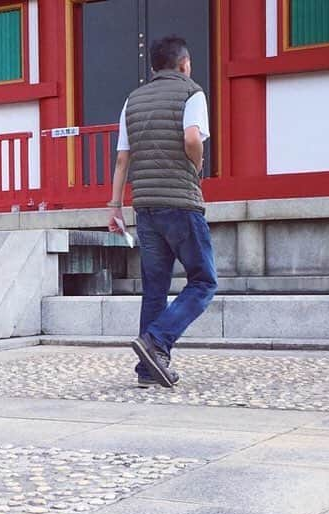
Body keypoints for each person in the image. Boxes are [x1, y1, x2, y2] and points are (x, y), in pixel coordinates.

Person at [108, 35, 217, 388]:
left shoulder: (132, 100)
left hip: (146, 206)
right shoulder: (192, 92)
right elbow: (191, 138)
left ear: (154, 67)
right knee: (202, 281)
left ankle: (147, 370)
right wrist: (196, 167)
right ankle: (157, 340)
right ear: (184, 64)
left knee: (155, 287)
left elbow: (123, 157)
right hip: (181, 204)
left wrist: (115, 207)